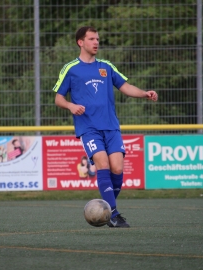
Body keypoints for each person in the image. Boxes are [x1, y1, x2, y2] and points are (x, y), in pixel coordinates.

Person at [53, 26, 158, 228]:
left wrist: (145, 93)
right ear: (80, 42)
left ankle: (106, 210)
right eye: (91, 39)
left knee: (117, 168)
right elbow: (58, 98)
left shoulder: (106, 66)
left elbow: (125, 87)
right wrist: (70, 105)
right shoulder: (70, 68)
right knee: (103, 164)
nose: (96, 42)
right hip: (88, 127)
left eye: (98, 39)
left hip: (111, 126)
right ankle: (113, 214)